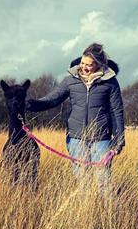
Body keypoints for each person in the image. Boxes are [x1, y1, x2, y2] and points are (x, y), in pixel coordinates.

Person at [26, 43, 125, 192]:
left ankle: (110, 214)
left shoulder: (110, 82)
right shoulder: (71, 80)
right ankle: (85, 213)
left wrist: (119, 140)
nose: (84, 67)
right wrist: (31, 105)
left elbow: (117, 111)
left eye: (89, 65)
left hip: (101, 139)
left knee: (104, 182)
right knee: (82, 182)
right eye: (82, 63)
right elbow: (53, 99)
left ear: (99, 64)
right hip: (76, 139)